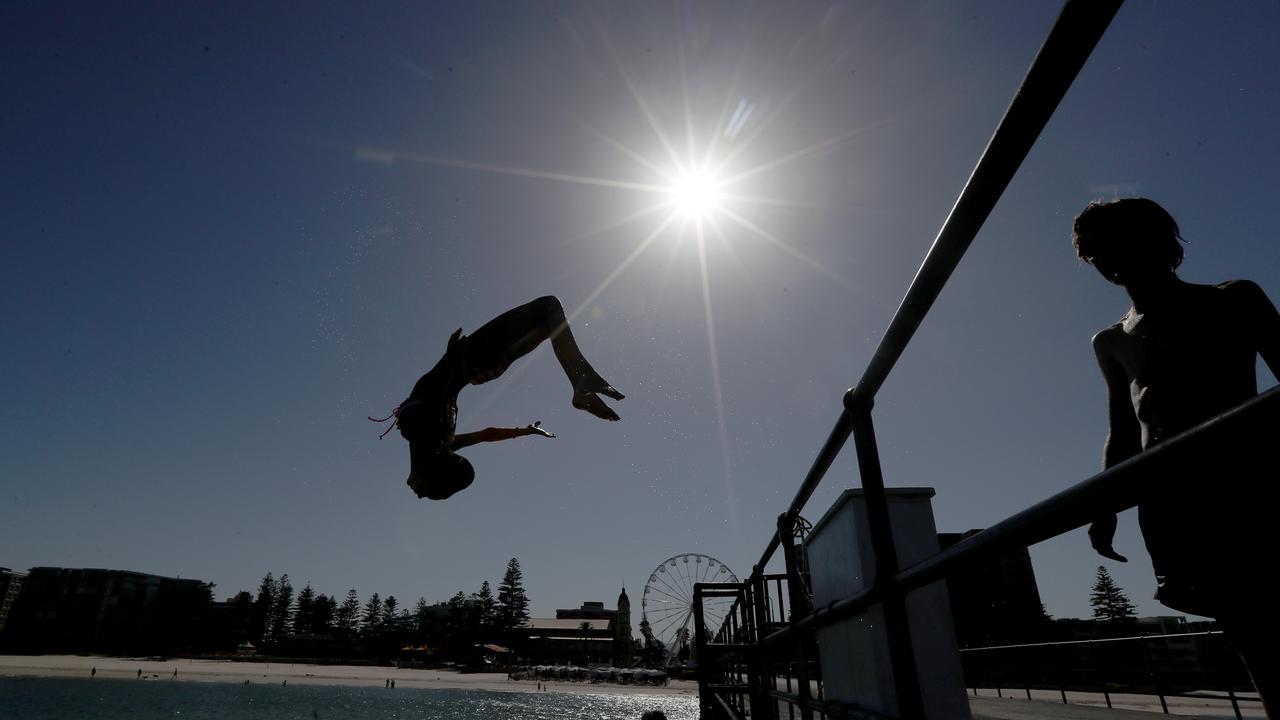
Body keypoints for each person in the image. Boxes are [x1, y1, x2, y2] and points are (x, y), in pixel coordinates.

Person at [1074, 197, 1279, 716]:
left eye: (1123, 243)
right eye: (1099, 251)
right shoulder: (1111, 341)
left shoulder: (1234, 300)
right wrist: (1104, 505)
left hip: (1250, 485)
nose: (1110, 259)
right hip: (1173, 507)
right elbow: (1123, 429)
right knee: (1249, 630)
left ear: (1164, 244)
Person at [372, 296, 624, 501]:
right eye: (428, 493)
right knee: (547, 309)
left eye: (426, 494)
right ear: (432, 473)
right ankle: (581, 384)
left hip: (479, 368)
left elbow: (484, 434)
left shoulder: (437, 443)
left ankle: (581, 387)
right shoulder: (425, 436)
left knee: (548, 321)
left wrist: (525, 431)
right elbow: (441, 398)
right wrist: (448, 358)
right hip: (474, 359)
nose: (418, 496)